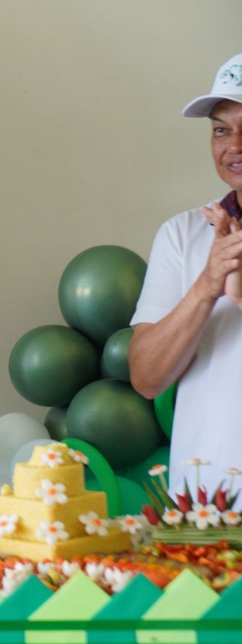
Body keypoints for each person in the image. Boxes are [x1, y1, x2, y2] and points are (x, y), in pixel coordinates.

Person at [130, 52, 242, 490]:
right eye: (221, 130)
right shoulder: (182, 233)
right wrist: (207, 285)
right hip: (203, 504)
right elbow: (146, 378)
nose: (234, 145)